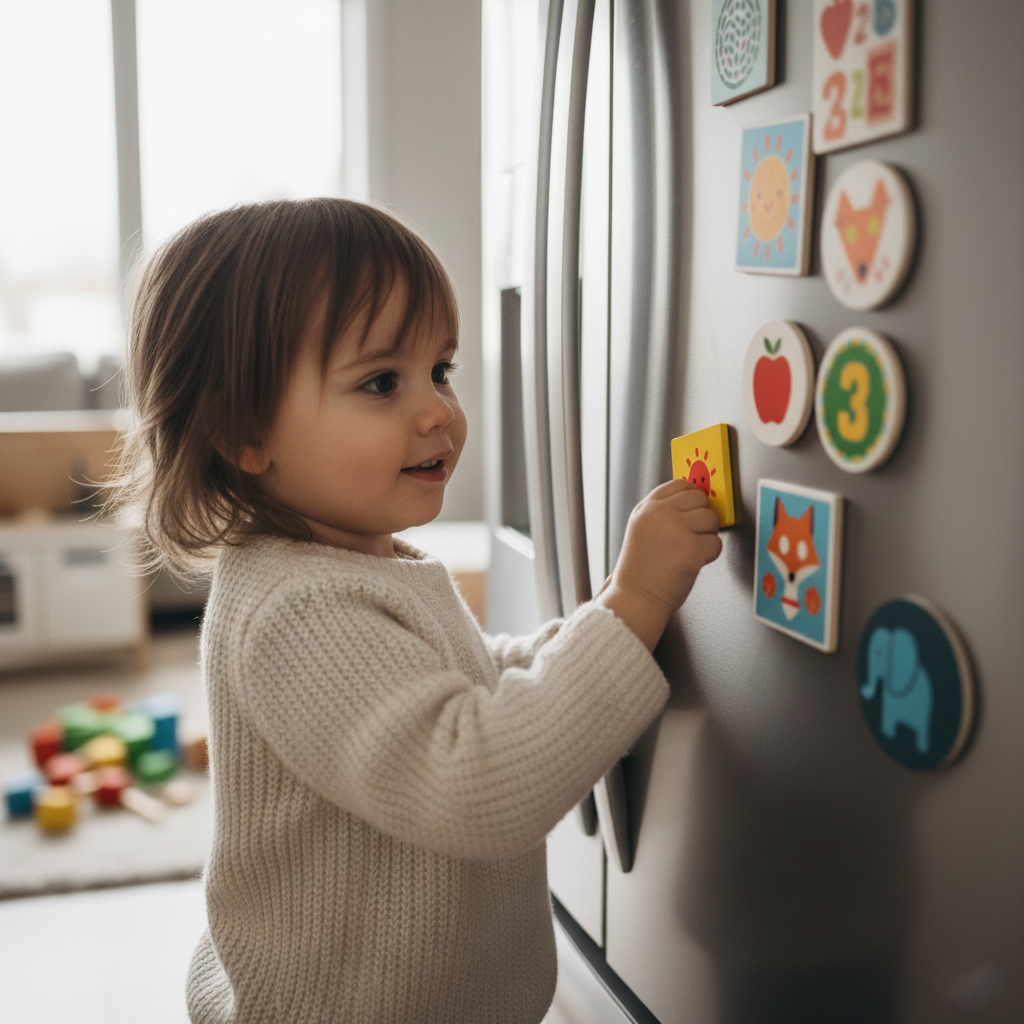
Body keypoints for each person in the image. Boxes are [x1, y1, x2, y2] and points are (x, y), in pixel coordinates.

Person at [112, 198, 722, 1024]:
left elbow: (464, 684)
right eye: (381, 382)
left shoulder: (357, 565)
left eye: (440, 369)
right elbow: (479, 779)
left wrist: (606, 629)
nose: (438, 410)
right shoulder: (297, 613)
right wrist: (633, 602)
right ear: (244, 431)